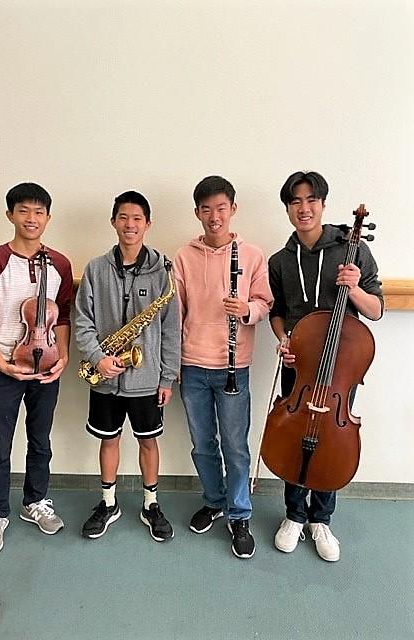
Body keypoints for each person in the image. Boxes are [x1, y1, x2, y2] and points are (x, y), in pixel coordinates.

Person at [268, 170, 383, 562]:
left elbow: (377, 309)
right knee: (295, 432)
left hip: (339, 369)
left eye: (311, 200)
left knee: (330, 436)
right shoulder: (281, 260)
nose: (304, 208)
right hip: (299, 366)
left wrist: (353, 289)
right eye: (295, 201)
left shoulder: (352, 250)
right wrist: (282, 339)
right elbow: (278, 313)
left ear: (322, 203)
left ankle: (321, 519)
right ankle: (293, 515)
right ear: (287, 208)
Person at [0, 182, 73, 554]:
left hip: (45, 366)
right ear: (10, 215)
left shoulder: (58, 263)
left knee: (40, 439)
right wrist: (3, 364)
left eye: (39, 212)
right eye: (23, 210)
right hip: (1, 370)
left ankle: (35, 502)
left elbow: (62, 315)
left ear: (48, 217)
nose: (31, 218)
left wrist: (64, 357)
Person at [173, 176, 273, 559]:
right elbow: (176, 312)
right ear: (197, 213)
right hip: (193, 365)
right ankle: (214, 500)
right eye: (205, 209)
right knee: (202, 444)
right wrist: (173, 363)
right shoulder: (183, 256)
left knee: (235, 445)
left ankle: (240, 514)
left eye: (220, 208)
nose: (214, 217)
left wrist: (247, 310)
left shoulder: (251, 255)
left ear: (233, 208)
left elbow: (265, 301)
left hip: (235, 365)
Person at [76, 190, 180, 543]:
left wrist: (167, 377)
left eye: (137, 218)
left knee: (149, 443)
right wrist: (97, 358)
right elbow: (82, 321)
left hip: (147, 380)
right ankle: (108, 502)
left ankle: (151, 504)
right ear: (113, 222)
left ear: (147, 224)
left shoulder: (163, 272)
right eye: (123, 217)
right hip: (106, 377)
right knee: (109, 441)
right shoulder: (95, 268)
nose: (130, 224)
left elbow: (170, 329)